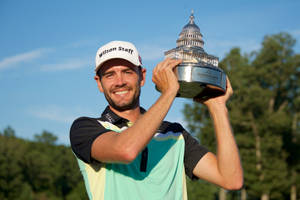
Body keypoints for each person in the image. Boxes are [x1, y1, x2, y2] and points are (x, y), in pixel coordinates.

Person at [70, 40, 243, 200]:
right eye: (109, 75)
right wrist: (169, 92)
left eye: (127, 72)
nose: (120, 81)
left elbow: (231, 180)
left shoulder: (175, 134)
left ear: (142, 76)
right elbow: (126, 150)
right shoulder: (86, 128)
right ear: (99, 83)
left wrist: (218, 107)